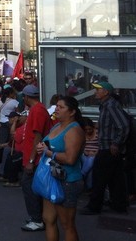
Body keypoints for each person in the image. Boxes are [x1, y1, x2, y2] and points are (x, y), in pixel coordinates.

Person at [36, 96, 85, 241]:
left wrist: (49, 152)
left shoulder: (74, 130)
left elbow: (70, 159)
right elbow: (47, 144)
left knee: (67, 224)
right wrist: (41, 148)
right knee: (48, 219)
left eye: (61, 107)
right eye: (56, 106)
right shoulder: (57, 126)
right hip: (51, 179)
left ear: (72, 112)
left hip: (67, 181)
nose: (57, 109)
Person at [81, 81, 130, 215]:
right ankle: (119, 204)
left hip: (108, 148)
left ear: (106, 92)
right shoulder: (107, 105)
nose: (95, 92)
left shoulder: (110, 106)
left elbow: (123, 125)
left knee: (99, 177)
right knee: (116, 178)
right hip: (110, 148)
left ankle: (94, 206)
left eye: (98, 90)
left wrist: (116, 143)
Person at [20, 85, 52, 232]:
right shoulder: (37, 109)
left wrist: (31, 161)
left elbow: (37, 136)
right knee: (32, 188)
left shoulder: (37, 110)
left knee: (29, 187)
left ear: (26, 97)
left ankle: (37, 219)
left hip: (36, 159)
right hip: (34, 157)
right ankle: (38, 217)